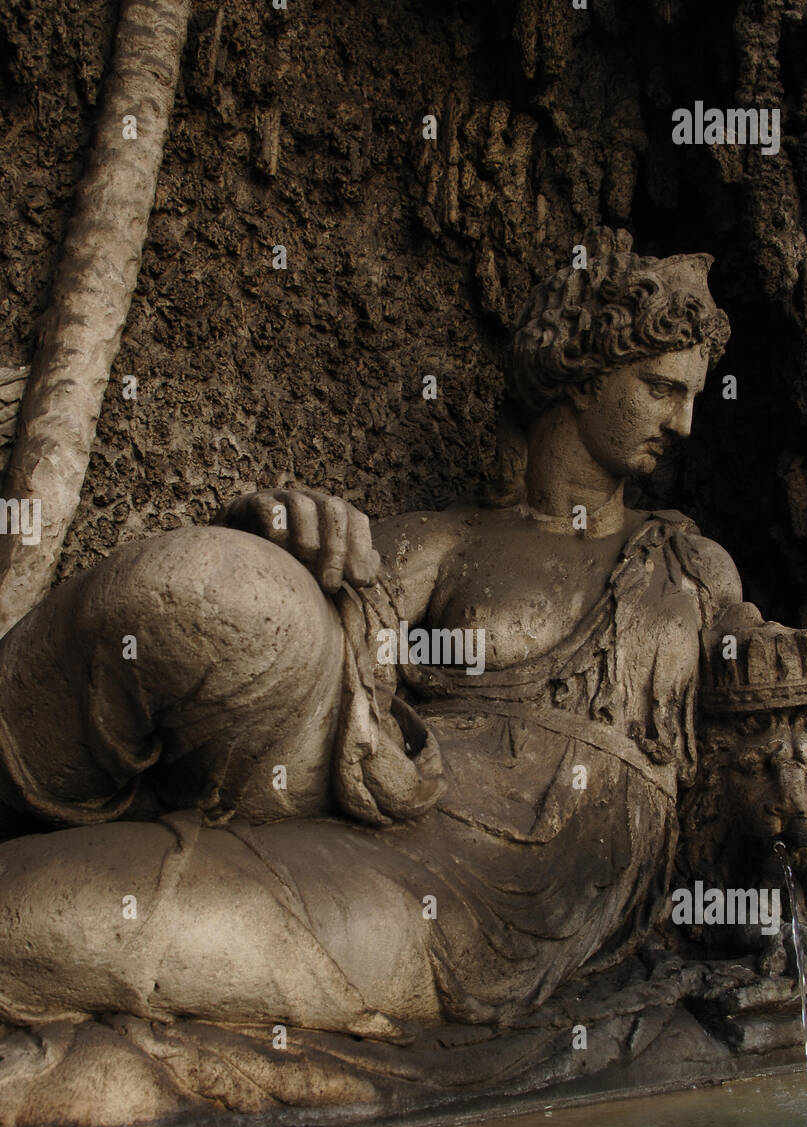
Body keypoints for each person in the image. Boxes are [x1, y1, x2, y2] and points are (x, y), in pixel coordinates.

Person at [0, 231, 754, 1040]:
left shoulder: (690, 560)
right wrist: (281, 537)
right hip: (397, 805)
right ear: (582, 374)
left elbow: (760, 707)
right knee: (207, 582)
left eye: (692, 398)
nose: (682, 424)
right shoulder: (441, 540)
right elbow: (337, 674)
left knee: (28, 915)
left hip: (517, 886)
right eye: (660, 388)